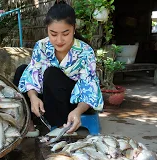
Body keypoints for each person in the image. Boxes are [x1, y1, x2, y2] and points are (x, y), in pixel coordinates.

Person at [13, 0, 103, 137]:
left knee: (51, 73)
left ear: (74, 29)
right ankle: (29, 122)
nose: (59, 40)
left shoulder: (85, 51)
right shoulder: (41, 46)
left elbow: (89, 86)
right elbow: (32, 73)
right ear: (47, 30)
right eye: (53, 34)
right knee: (22, 70)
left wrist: (78, 111)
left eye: (65, 33)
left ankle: (60, 125)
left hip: (72, 102)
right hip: (48, 97)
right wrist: (33, 97)